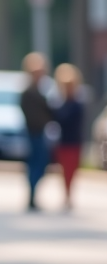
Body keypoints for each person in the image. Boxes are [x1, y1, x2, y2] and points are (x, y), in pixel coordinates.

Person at [20, 52, 53, 211]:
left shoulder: (39, 91)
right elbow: (34, 115)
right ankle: (32, 196)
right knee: (36, 164)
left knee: (41, 163)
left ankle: (33, 195)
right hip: (33, 132)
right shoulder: (28, 92)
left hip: (39, 132)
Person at [51, 63, 85, 209]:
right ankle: (66, 195)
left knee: (72, 170)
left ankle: (69, 195)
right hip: (63, 141)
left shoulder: (77, 104)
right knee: (64, 171)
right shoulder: (61, 103)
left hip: (74, 141)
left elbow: (65, 119)